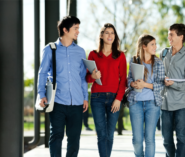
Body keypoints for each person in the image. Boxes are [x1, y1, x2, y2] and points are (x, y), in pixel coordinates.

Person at [38, 16, 88, 157]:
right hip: (57, 101)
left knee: (74, 139)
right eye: (75, 28)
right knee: (56, 136)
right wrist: (41, 94)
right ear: (65, 30)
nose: (78, 31)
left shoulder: (80, 51)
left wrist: (85, 97)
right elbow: (42, 73)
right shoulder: (49, 49)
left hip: (77, 102)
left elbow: (82, 77)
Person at [86, 23, 127, 157]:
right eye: (107, 33)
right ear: (102, 36)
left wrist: (118, 99)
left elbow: (123, 80)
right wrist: (93, 76)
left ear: (115, 37)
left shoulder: (120, 56)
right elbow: (86, 78)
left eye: (112, 33)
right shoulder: (93, 54)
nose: (110, 35)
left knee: (109, 134)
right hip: (97, 97)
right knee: (101, 134)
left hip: (114, 98)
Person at [160, 24, 185, 157]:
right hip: (165, 103)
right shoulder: (163, 53)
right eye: (169, 34)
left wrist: (173, 84)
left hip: (181, 104)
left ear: (181, 37)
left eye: (171, 34)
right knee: (166, 141)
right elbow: (159, 73)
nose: (169, 37)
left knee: (182, 139)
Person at [127, 34, 165, 157]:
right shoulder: (133, 60)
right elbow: (129, 80)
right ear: (144, 46)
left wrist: (145, 84)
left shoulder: (158, 63)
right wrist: (132, 83)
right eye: (152, 44)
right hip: (135, 103)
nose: (155, 47)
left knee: (149, 139)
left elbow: (161, 85)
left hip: (152, 104)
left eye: (155, 44)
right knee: (137, 140)